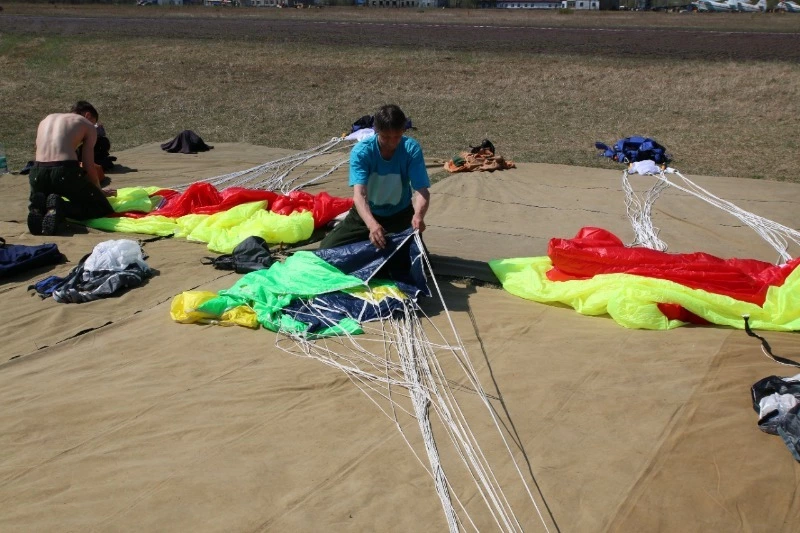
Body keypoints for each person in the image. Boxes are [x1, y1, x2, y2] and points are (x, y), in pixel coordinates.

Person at [319, 104, 430, 250]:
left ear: (403, 130)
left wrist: (418, 216)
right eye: (386, 137)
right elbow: (360, 195)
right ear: (376, 131)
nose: (392, 142)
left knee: (411, 259)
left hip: (401, 214)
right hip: (366, 213)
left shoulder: (411, 149)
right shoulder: (362, 152)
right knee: (327, 249)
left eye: (397, 136)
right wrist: (372, 224)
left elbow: (422, 190)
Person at [27, 101, 115, 235]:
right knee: (101, 208)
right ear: (88, 115)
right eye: (94, 122)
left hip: (37, 173)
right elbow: (88, 165)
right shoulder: (86, 124)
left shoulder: (46, 119)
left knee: (48, 193)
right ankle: (60, 206)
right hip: (64, 171)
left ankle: (40, 206)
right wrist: (98, 191)